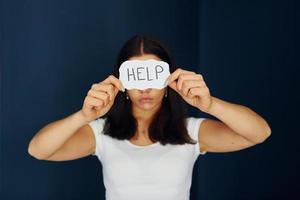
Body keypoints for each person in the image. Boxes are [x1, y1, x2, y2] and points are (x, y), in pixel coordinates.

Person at [28, 34, 271, 200]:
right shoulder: (101, 134)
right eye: (136, 78)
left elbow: (260, 133)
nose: (145, 90)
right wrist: (83, 116)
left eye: (152, 77)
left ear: (167, 81)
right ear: (121, 81)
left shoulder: (191, 133)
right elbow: (38, 150)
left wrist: (210, 104)